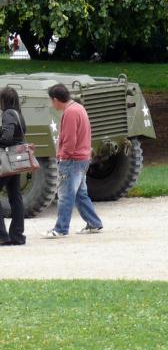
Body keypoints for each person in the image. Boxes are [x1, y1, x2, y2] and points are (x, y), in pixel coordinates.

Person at [43, 84, 104, 239]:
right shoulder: (79, 108)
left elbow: (70, 140)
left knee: (65, 195)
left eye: (51, 101)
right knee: (80, 193)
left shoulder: (70, 112)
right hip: (83, 158)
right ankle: (94, 223)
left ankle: (61, 229)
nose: (52, 104)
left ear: (56, 99)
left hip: (72, 160)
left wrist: (63, 156)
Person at [0, 87, 27, 245]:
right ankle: (17, 235)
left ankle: (2, 236)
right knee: (15, 197)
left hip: (7, 160)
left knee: (15, 196)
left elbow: (7, 137)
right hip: (16, 161)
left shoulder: (8, 114)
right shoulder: (18, 114)